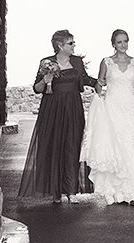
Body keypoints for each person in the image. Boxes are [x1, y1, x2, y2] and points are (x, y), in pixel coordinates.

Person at [19, 30, 99, 203]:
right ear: (60, 46)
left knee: (72, 146)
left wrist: (100, 82)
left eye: (73, 43)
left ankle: (70, 191)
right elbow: (37, 88)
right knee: (53, 147)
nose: (74, 46)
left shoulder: (76, 62)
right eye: (70, 43)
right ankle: (55, 191)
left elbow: (84, 79)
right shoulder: (46, 63)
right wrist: (45, 79)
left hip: (73, 108)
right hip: (52, 110)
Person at [82, 30, 134, 206]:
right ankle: (116, 190)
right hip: (112, 107)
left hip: (129, 108)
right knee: (114, 145)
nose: (123, 45)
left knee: (130, 144)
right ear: (113, 44)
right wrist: (99, 85)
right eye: (119, 42)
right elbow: (99, 86)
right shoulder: (106, 62)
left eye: (125, 41)